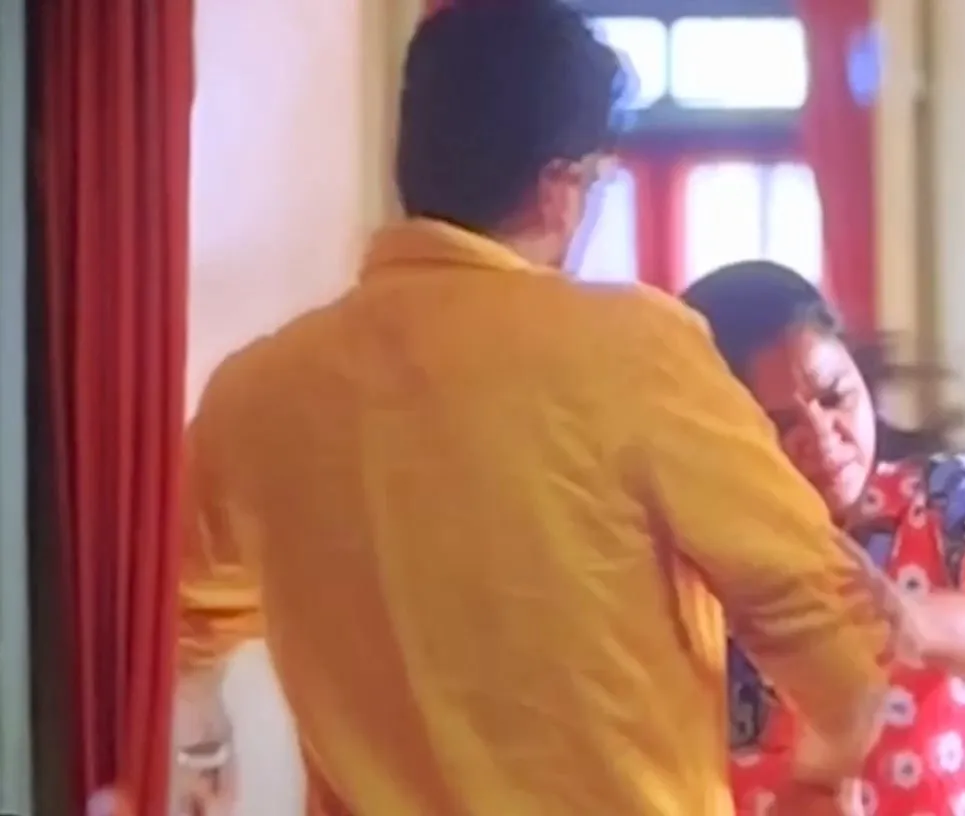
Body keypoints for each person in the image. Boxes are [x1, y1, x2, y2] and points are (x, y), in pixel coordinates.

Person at [172, 3, 901, 813]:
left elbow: (166, 619)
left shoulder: (259, 394)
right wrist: (820, 771)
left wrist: (204, 750)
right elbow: (826, 622)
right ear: (560, 187)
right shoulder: (634, 351)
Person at [681, 262, 965, 816]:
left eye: (834, 397)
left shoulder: (952, 497)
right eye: (779, 426)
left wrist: (911, 618)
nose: (822, 437)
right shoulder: (692, 561)